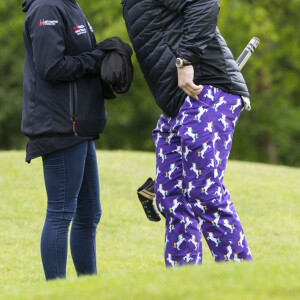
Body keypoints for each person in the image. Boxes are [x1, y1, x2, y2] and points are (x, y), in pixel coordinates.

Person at [122, 0, 253, 266]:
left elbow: (205, 4)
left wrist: (185, 60)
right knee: (171, 198)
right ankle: (185, 286)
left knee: (204, 194)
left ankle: (242, 282)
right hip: (177, 105)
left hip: (208, 91)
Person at [21, 0, 107, 280]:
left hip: (79, 125)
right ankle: (56, 291)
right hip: (59, 126)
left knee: (89, 213)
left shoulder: (70, 5)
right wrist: (96, 59)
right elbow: (50, 66)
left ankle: (87, 290)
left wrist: (105, 55)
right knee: (60, 213)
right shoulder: (46, 7)